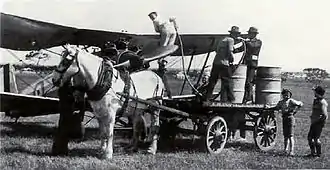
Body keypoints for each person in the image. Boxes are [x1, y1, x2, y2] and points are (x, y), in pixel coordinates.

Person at [204, 26, 241, 102]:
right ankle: (231, 99)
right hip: (224, 63)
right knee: (228, 81)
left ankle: (207, 97)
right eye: (236, 34)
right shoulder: (231, 40)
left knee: (212, 81)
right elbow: (230, 51)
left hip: (216, 62)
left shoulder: (222, 39)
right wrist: (231, 60)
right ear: (234, 34)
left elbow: (217, 50)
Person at [234, 27, 262, 103]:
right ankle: (245, 98)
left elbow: (253, 46)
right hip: (245, 64)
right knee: (245, 82)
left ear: (254, 34)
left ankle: (249, 99)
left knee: (249, 82)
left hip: (252, 64)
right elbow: (240, 49)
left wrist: (244, 41)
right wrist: (231, 49)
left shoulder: (258, 42)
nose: (248, 35)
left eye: (250, 33)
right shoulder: (247, 42)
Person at [271, 89, 303, 156]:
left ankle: (291, 151)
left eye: (288, 94)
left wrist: (295, 111)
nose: (287, 95)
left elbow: (300, 104)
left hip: (290, 118)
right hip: (284, 118)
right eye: (285, 94)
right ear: (282, 95)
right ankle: (285, 150)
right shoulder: (281, 102)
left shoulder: (291, 101)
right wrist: (269, 108)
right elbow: (276, 108)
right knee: (285, 136)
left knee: (290, 135)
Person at [306, 86, 328, 157]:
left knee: (316, 139)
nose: (314, 93)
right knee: (310, 138)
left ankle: (318, 155)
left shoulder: (322, 102)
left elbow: (325, 115)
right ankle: (313, 153)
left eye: (315, 91)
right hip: (314, 122)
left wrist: (319, 122)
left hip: (318, 123)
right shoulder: (316, 100)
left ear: (318, 93)